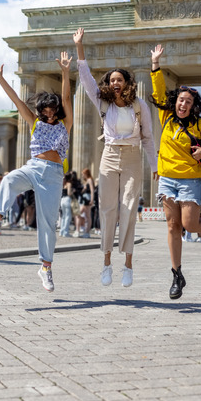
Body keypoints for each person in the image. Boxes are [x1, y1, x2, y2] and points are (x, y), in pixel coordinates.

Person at [0, 52, 72, 292]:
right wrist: (0, 79)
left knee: (48, 224)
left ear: (57, 110)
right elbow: (17, 100)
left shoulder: (65, 124)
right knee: (9, 179)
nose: (48, 114)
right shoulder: (34, 122)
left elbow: (68, 98)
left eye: (52, 110)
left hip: (54, 174)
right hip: (33, 167)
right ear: (40, 110)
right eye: (45, 110)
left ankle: (46, 268)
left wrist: (66, 72)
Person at [73, 28, 158, 287]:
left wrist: (155, 165)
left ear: (127, 83)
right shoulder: (102, 102)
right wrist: (80, 48)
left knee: (129, 208)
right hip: (109, 155)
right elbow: (86, 78)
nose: (115, 83)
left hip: (133, 157)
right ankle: (107, 263)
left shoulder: (138, 105)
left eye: (119, 79)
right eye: (111, 80)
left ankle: (128, 265)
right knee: (108, 208)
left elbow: (148, 138)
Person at [150, 44, 201, 300]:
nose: (183, 104)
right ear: (175, 103)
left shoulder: (199, 125)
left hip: (190, 179)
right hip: (167, 178)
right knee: (173, 227)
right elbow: (159, 91)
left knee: (189, 225)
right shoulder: (166, 117)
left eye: (188, 101)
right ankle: (177, 274)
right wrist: (155, 65)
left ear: (193, 106)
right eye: (180, 100)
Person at [78, 168, 95, 239]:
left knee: (86, 216)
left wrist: (92, 199)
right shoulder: (87, 180)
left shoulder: (90, 180)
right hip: (85, 198)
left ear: (86, 174)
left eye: (83, 174)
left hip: (87, 199)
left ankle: (86, 232)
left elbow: (92, 190)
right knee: (86, 216)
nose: (82, 176)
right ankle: (85, 231)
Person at [60, 172, 75, 237]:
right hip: (67, 199)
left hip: (62, 199)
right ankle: (65, 232)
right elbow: (69, 193)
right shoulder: (69, 184)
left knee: (63, 216)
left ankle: (62, 231)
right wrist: (73, 191)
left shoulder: (64, 183)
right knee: (68, 216)